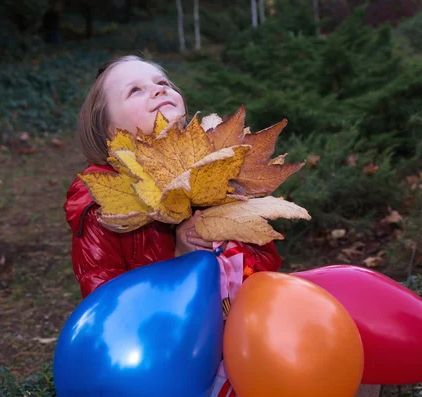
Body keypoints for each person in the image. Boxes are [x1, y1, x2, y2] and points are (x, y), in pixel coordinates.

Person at [63, 55, 282, 397]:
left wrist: (229, 248)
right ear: (110, 130)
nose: (156, 90)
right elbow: (106, 303)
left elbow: (268, 262)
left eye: (162, 83)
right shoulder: (102, 202)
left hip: (242, 342)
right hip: (159, 354)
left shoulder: (216, 169)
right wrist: (180, 259)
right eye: (135, 90)